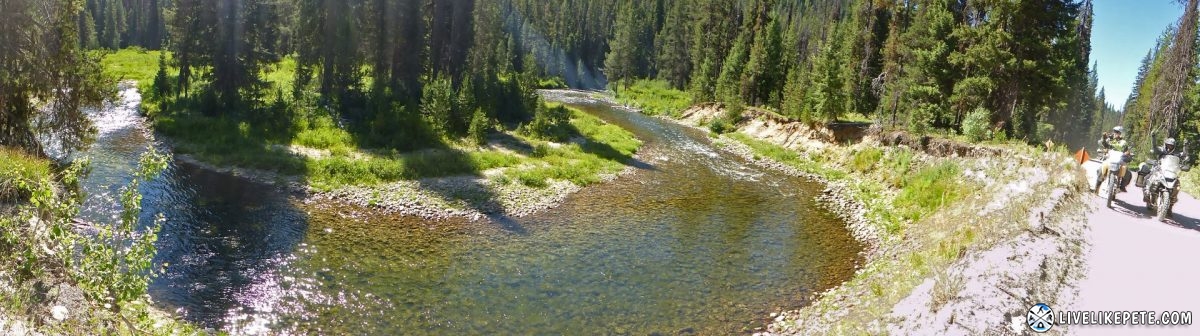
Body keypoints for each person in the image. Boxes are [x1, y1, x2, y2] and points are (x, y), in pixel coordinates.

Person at [1097, 126, 1131, 192]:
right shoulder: (1110, 139)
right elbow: (1104, 144)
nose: (1115, 133)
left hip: (1119, 159)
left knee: (1127, 172)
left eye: (1117, 132)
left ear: (1121, 134)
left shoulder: (1124, 142)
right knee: (1100, 169)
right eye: (1115, 132)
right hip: (1110, 158)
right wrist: (1104, 138)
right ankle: (1097, 187)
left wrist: (1128, 154)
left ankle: (1122, 186)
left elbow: (1127, 150)